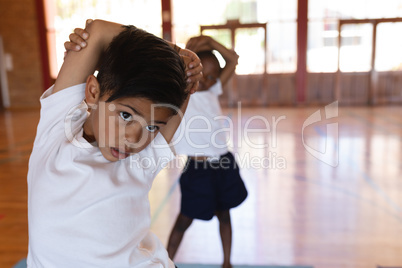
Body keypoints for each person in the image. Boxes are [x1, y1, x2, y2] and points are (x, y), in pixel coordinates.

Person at [27, 19, 202, 268]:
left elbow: (185, 79)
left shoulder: (143, 160)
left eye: (152, 127)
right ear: (93, 92)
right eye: (126, 115)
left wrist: (181, 61)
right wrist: (174, 51)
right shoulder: (57, 133)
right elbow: (98, 31)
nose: (134, 139)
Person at [168, 36, 248, 268]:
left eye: (213, 76)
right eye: (204, 75)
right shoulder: (183, 93)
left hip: (223, 164)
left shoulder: (213, 90)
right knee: (184, 220)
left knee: (225, 214)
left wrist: (213, 43)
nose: (208, 81)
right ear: (192, 72)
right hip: (197, 169)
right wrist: (192, 50)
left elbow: (233, 60)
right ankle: (164, 261)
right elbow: (179, 59)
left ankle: (226, 263)